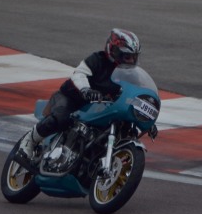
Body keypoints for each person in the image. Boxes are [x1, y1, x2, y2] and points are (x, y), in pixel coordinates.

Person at [19, 28, 141, 158]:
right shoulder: (97, 59)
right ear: (114, 50)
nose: (131, 61)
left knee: (123, 127)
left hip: (98, 108)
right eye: (127, 57)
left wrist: (148, 120)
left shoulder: (130, 75)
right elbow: (79, 74)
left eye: (133, 57)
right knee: (62, 117)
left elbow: (136, 94)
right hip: (71, 98)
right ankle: (30, 140)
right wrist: (86, 90)